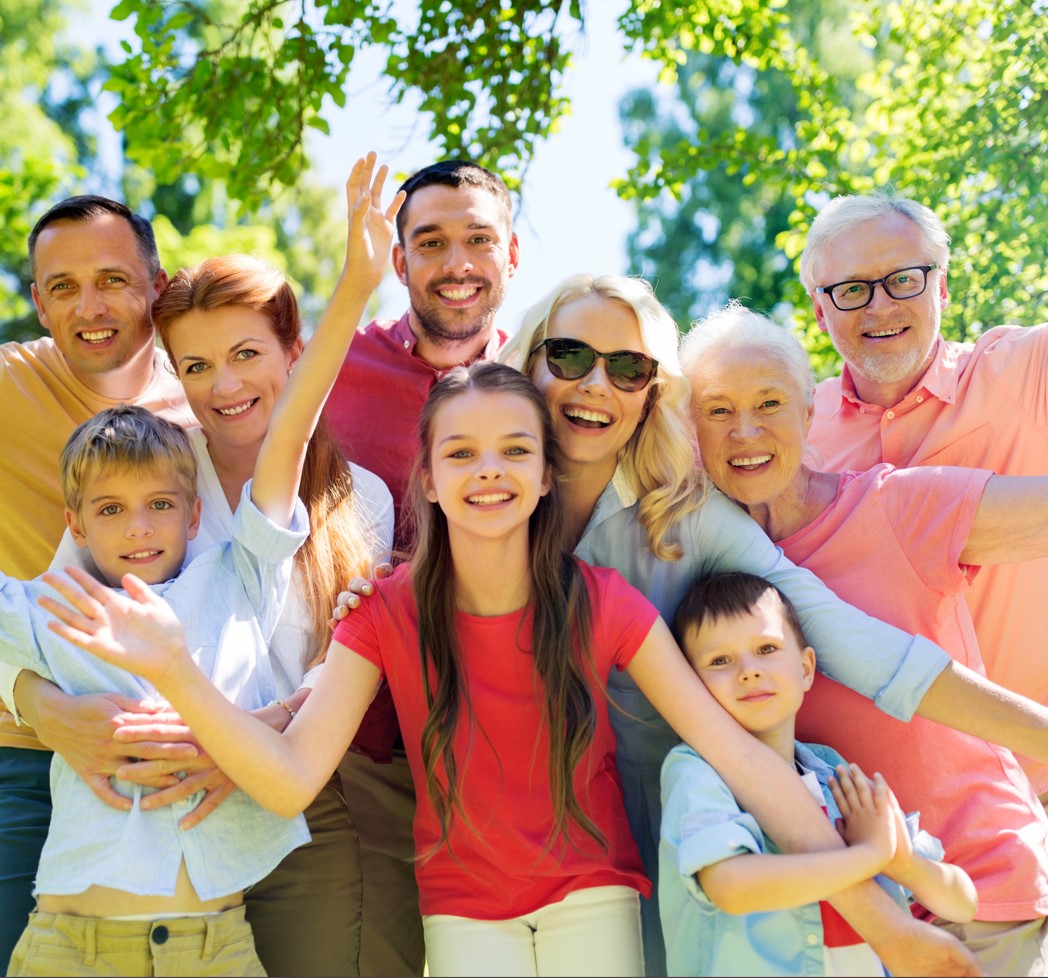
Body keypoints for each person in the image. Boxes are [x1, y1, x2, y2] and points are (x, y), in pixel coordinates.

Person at [37, 362, 967, 978]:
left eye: (516, 450)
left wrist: (888, 923)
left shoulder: (603, 602)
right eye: (463, 453)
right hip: (463, 909)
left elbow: (741, 757)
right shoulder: (391, 612)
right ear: (430, 479)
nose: (491, 471)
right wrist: (172, 666)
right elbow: (285, 782)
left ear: (545, 476)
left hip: (593, 894)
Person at [498, 271, 1048, 977]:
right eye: (570, 355)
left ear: (652, 395)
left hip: (689, 862)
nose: (595, 384)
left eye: (629, 367)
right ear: (533, 360)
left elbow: (856, 647)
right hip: (517, 866)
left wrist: (1038, 732)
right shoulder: (488, 504)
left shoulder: (686, 519)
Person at [0, 154, 401, 976]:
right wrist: (44, 706)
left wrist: (357, 284)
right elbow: (41, 620)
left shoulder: (330, 503)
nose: (224, 385)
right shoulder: (148, 477)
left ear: (292, 353)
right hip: (134, 822)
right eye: (196, 367)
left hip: (280, 786)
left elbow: (338, 670)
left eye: (248, 356)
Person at [680, 301, 1048, 974]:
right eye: (717, 410)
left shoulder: (896, 504)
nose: (746, 431)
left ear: (808, 412)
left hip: (981, 887)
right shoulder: (700, 567)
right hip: (844, 930)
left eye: (769, 402)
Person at [324, 158, 520, 973]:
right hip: (368, 752)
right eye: (430, 241)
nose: (457, 263)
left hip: (512, 754)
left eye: (478, 239)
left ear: (511, 255)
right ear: (398, 260)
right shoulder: (334, 372)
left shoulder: (546, 380)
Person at [799, 191, 1048, 796]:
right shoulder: (796, 433)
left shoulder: (1021, 371)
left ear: (941, 287)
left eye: (904, 280)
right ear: (819, 307)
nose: (879, 305)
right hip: (879, 820)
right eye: (852, 289)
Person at [0, 194, 193, 970]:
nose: (91, 306)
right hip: (19, 758)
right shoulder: (9, 389)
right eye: (63, 285)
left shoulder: (208, 405)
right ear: (39, 302)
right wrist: (38, 705)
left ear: (157, 286)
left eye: (113, 278)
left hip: (173, 761)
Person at [660, 572, 976, 977]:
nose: (748, 671)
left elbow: (962, 902)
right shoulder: (697, 772)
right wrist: (867, 856)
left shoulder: (834, 773)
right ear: (690, 685)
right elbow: (731, 887)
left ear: (806, 668)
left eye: (766, 648)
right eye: (720, 661)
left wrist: (901, 862)